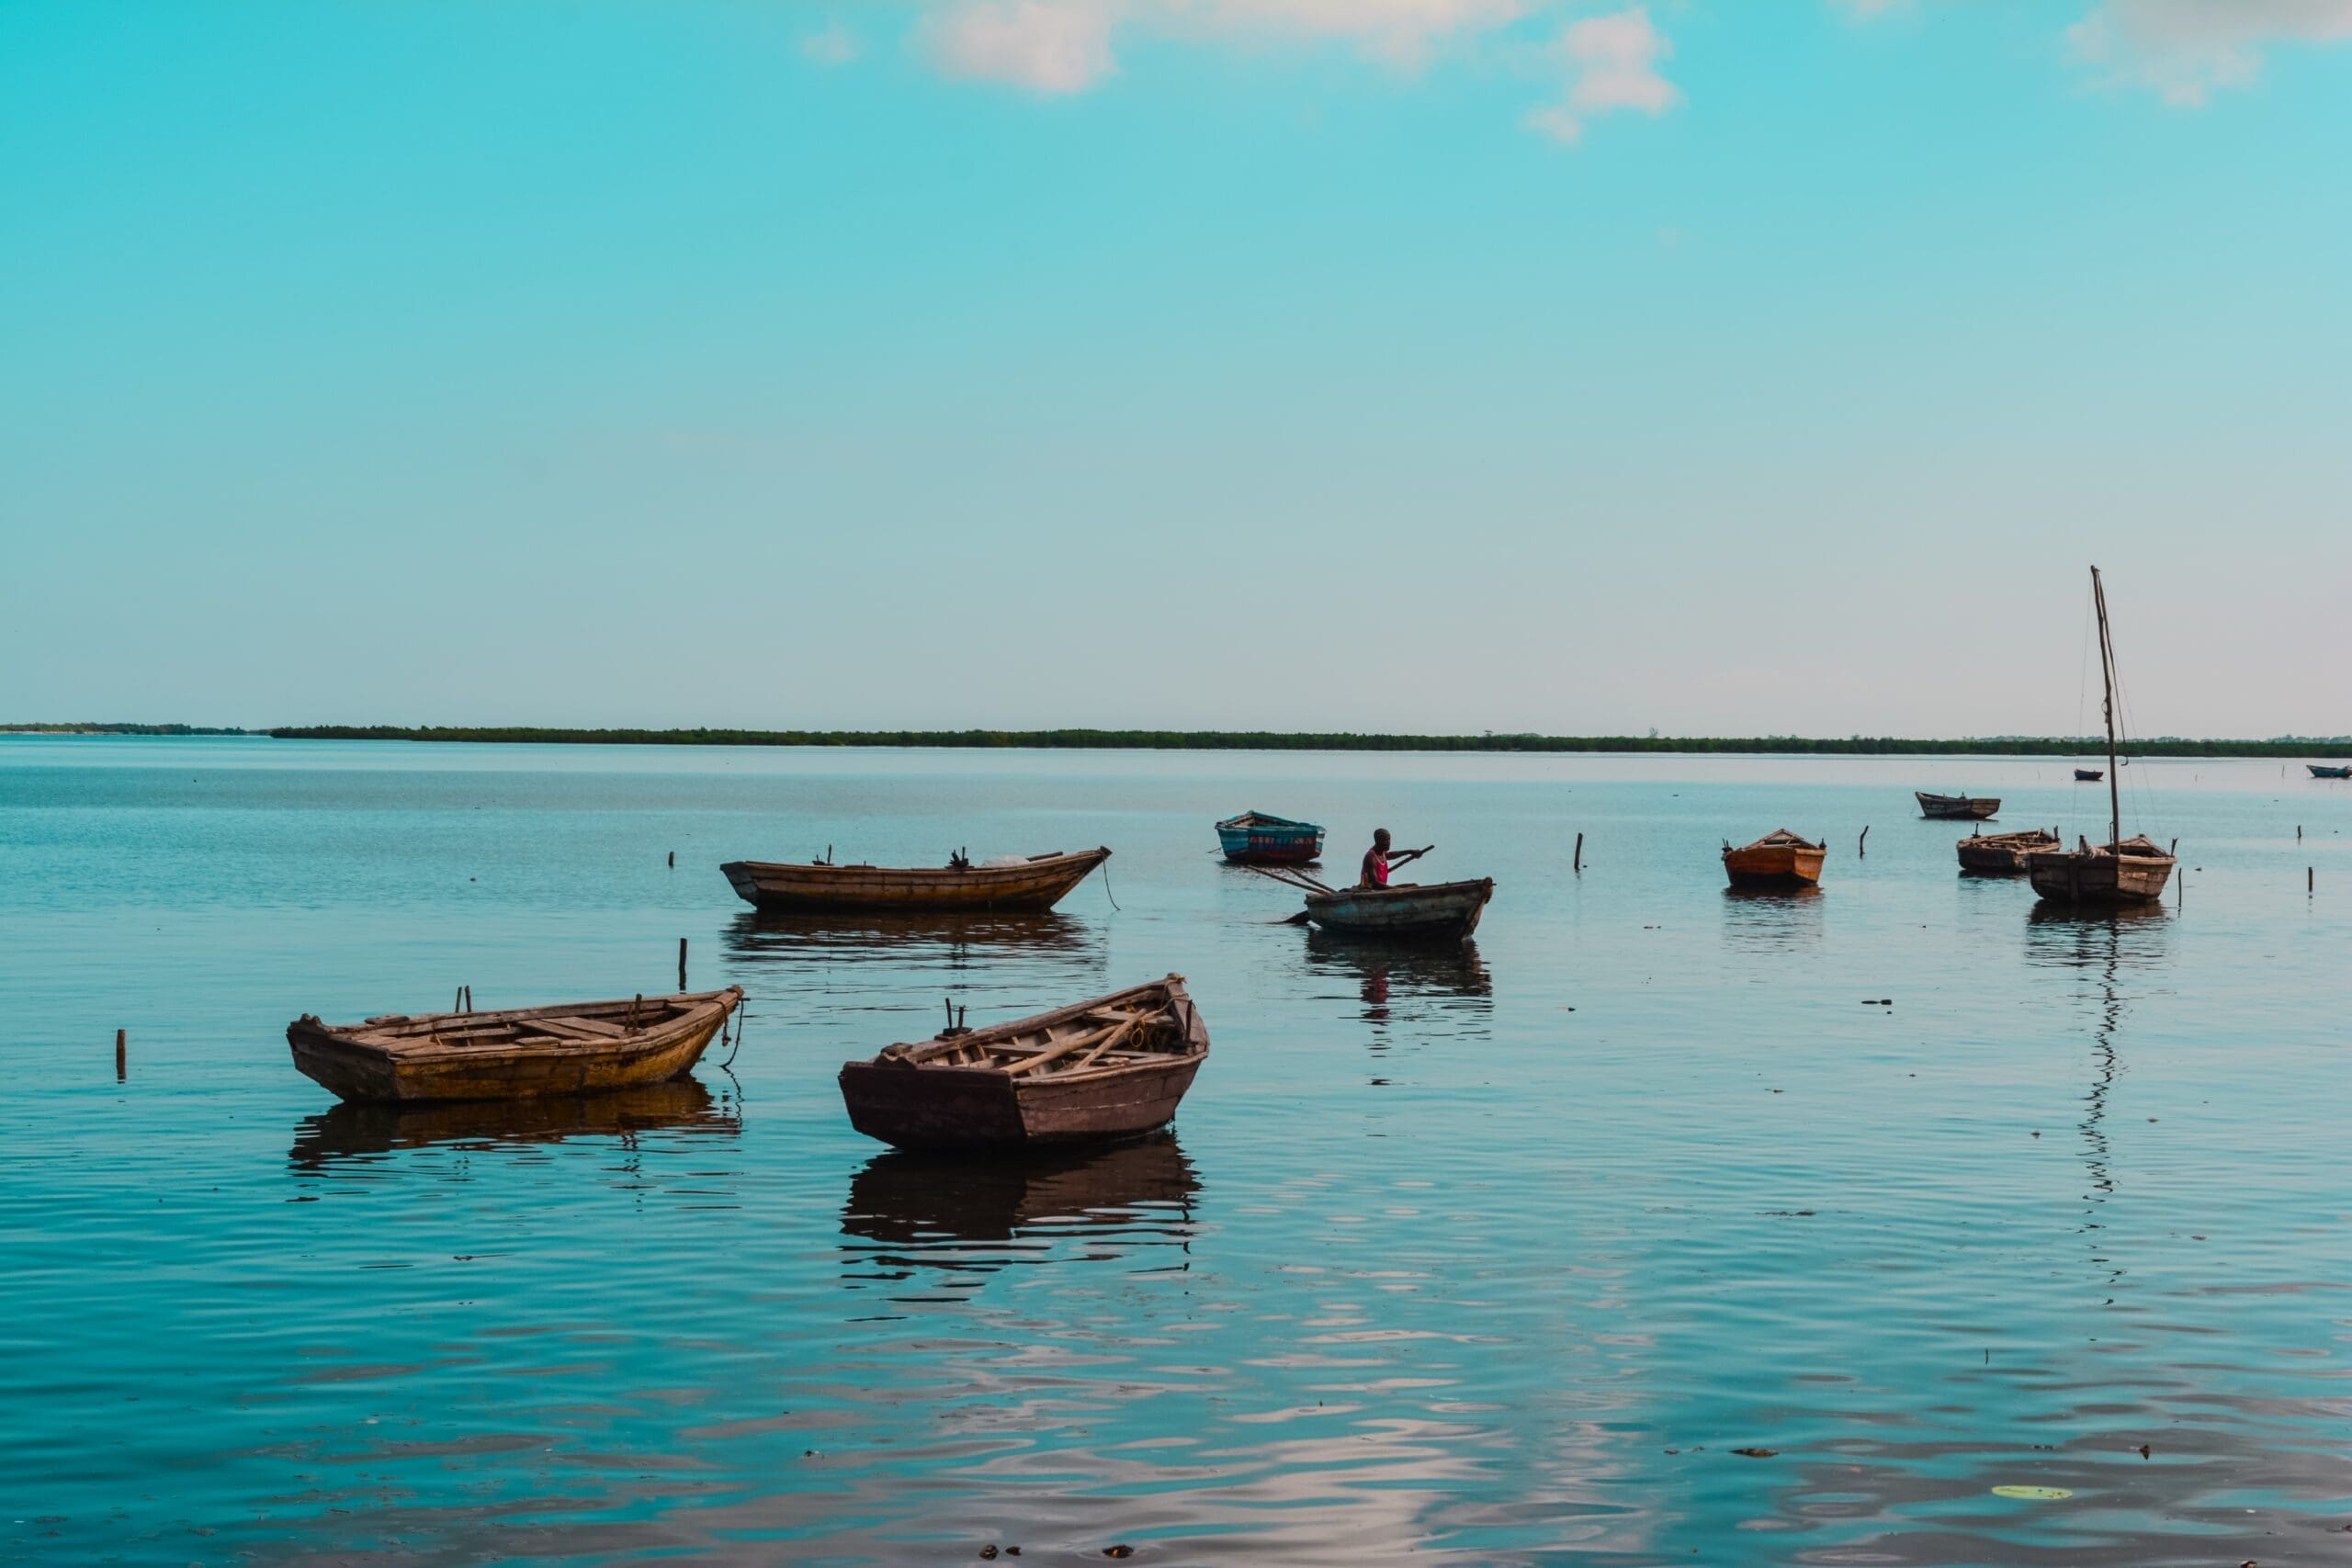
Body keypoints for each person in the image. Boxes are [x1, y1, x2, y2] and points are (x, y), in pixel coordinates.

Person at [1358, 829, 1430, 889]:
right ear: (1378, 841)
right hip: (1374, 890)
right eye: (1385, 840)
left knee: (1414, 886)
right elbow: (1375, 883)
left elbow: (1391, 855)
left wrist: (1410, 852)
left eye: (1389, 839)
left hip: (1383, 889)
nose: (1389, 843)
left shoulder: (1382, 853)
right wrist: (1396, 890)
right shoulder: (1370, 857)